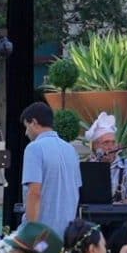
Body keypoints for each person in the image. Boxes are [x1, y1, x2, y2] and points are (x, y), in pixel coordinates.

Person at [19, 101, 82, 236]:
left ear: (34, 123)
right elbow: (76, 191)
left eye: (26, 127)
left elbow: (34, 193)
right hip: (67, 233)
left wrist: (31, 233)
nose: (26, 133)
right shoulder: (71, 150)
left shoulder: (34, 148)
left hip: (43, 235)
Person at [85, 111, 127, 205]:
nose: (111, 147)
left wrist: (115, 207)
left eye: (113, 142)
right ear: (95, 146)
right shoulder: (87, 166)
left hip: (120, 218)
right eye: (106, 143)